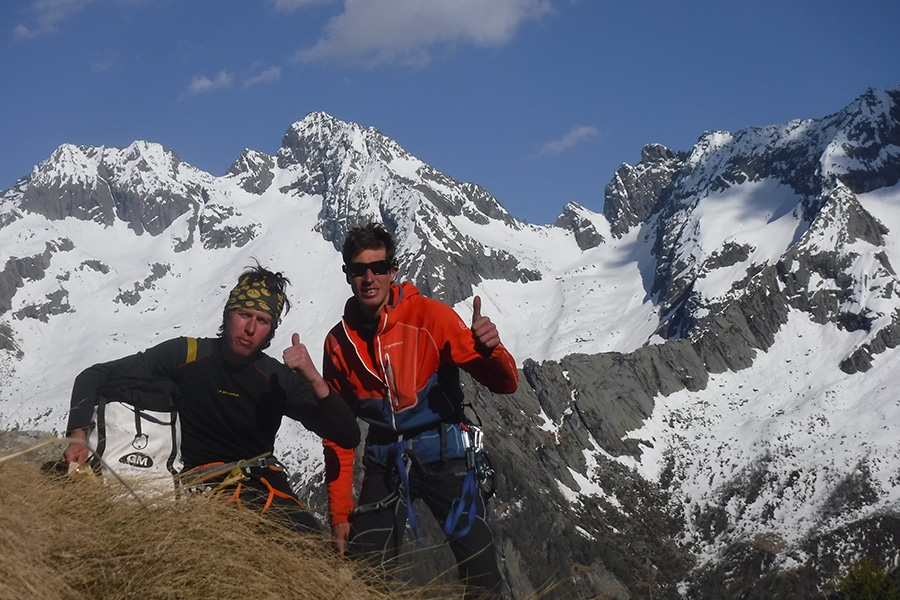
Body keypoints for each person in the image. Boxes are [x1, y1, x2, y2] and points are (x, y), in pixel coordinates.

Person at [63, 261, 360, 532]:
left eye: (262, 320)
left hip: (258, 483)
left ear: (271, 330)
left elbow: (347, 435)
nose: (250, 328)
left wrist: (312, 376)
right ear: (228, 314)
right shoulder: (186, 354)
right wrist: (77, 434)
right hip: (190, 483)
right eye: (244, 315)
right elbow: (94, 376)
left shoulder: (276, 378)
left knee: (308, 544)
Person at [321, 223, 518, 598]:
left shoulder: (432, 317)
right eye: (358, 269)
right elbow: (339, 433)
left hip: (445, 454)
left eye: (378, 267)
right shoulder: (338, 343)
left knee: (482, 577)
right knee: (365, 579)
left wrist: (493, 348)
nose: (369, 277)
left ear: (393, 271)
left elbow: (504, 384)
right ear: (347, 274)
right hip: (384, 461)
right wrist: (339, 513)